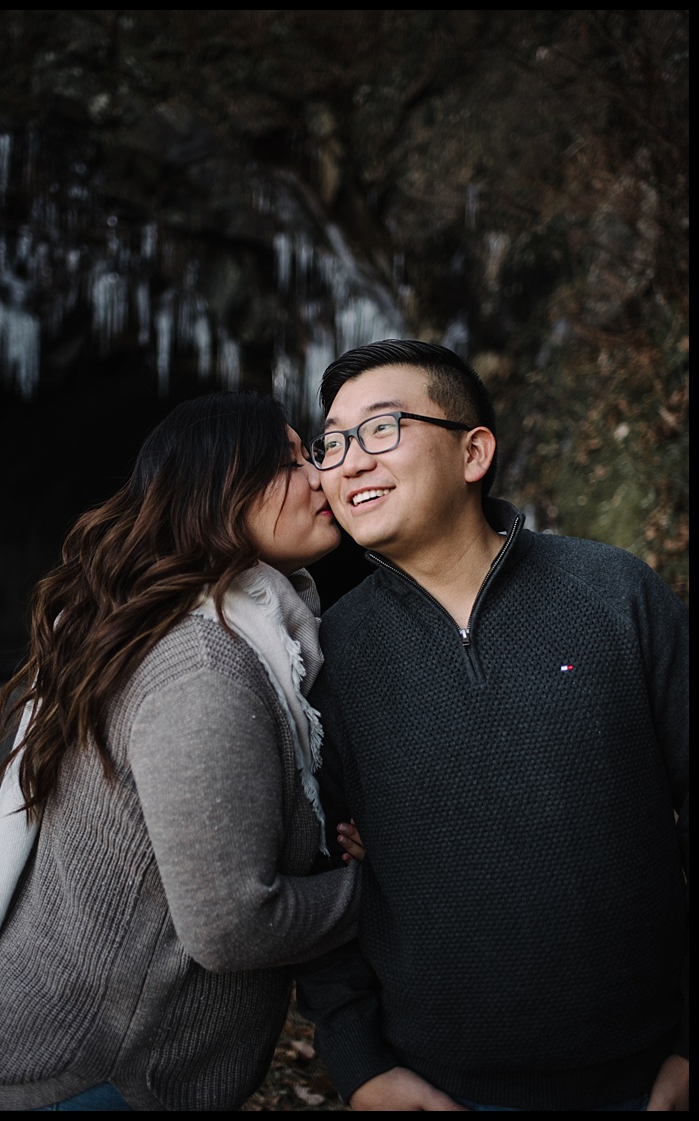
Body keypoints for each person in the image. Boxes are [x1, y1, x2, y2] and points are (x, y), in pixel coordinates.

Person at [295, 339, 689, 1111]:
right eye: (331, 442)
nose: (347, 462)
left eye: (381, 428)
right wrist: (358, 1060)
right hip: (443, 1089)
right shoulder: (328, 657)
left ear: (474, 451)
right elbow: (313, 867)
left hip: (647, 1076)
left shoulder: (615, 596)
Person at [0, 391, 365, 1111]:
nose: (321, 475)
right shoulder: (208, 665)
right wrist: (381, 884)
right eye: (291, 459)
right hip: (86, 1079)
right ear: (219, 489)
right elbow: (233, 923)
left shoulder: (231, 636)